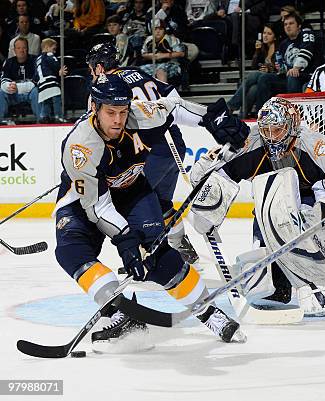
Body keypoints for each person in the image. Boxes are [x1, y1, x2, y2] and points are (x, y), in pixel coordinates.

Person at [54, 73, 249, 349]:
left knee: (157, 256)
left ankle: (208, 313)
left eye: (122, 112)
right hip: (85, 202)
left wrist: (213, 118)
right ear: (94, 109)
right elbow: (98, 207)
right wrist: (126, 242)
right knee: (71, 250)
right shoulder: (80, 147)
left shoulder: (140, 115)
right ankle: (120, 313)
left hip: (133, 190)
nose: (118, 120)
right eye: (110, 112)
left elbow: (174, 107)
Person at [188, 97, 325, 316]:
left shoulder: (314, 146)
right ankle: (276, 285)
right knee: (266, 226)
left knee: (300, 228)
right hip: (268, 202)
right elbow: (216, 175)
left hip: (309, 199)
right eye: (266, 130)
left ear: (292, 127)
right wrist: (208, 203)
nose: (271, 137)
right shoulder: (252, 142)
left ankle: (322, 277)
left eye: (277, 130)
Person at [86, 42, 199, 264]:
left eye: (91, 67)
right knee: (162, 202)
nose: (91, 73)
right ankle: (183, 248)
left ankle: (153, 257)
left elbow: (98, 132)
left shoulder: (103, 89)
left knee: (134, 201)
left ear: (99, 67)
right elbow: (174, 98)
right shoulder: (137, 72)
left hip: (148, 148)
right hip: (174, 142)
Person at [254, 12, 316, 112]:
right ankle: (262, 113)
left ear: (299, 26)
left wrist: (296, 67)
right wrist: (280, 68)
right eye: (285, 24)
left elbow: (306, 51)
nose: (288, 26)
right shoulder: (283, 44)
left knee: (292, 76)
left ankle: (294, 114)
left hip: (307, 75)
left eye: (291, 23)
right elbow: (282, 65)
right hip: (289, 77)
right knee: (265, 78)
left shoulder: (306, 35)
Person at [227, 23, 278, 118]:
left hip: (273, 80)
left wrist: (270, 69)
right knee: (253, 88)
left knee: (253, 75)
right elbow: (254, 66)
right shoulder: (263, 49)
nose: (265, 36)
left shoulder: (279, 49)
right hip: (261, 81)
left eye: (269, 34)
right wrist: (257, 52)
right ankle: (242, 117)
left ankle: (231, 106)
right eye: (264, 33)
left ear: (275, 37)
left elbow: (279, 68)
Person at [0, 37, 38, 124]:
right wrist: (9, 87)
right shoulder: (8, 62)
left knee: (36, 91)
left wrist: (18, 87)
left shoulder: (35, 60)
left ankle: (40, 120)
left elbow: (36, 80)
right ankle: (2, 122)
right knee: (2, 92)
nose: (21, 50)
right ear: (14, 50)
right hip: (14, 94)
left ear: (28, 49)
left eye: (24, 47)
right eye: (18, 48)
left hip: (30, 93)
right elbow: (4, 80)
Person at [141, 19, 185, 83]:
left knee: (160, 70)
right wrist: (151, 56)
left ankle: (164, 92)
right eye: (155, 29)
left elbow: (181, 53)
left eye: (160, 29)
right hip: (153, 65)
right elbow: (143, 54)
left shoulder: (171, 39)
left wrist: (162, 56)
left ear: (164, 30)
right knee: (137, 71)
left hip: (172, 64)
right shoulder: (149, 39)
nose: (158, 31)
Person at [35, 37, 66, 123]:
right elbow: (54, 63)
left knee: (46, 101)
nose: (54, 52)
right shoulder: (49, 55)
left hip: (41, 84)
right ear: (47, 47)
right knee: (56, 99)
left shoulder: (37, 59)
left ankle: (44, 116)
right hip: (50, 81)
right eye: (54, 49)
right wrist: (59, 70)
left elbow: (35, 75)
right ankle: (58, 116)